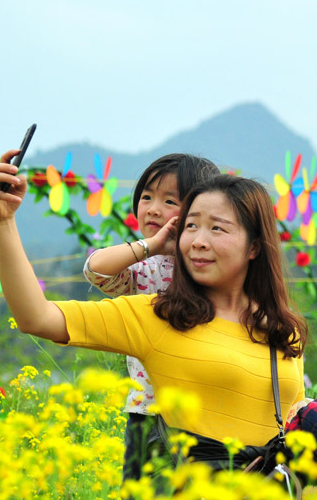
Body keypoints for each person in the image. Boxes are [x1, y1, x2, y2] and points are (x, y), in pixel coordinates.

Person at [0, 157, 307, 457]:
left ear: (254, 246)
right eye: (191, 226)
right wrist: (2, 223)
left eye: (217, 228)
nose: (198, 240)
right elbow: (37, 317)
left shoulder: (281, 330)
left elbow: (295, 426)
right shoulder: (160, 315)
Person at [82, 153, 220, 482]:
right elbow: (95, 270)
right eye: (146, 197)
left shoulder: (215, 265)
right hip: (148, 410)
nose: (153, 209)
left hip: (207, 412)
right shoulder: (143, 268)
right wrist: (151, 247)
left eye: (169, 200)